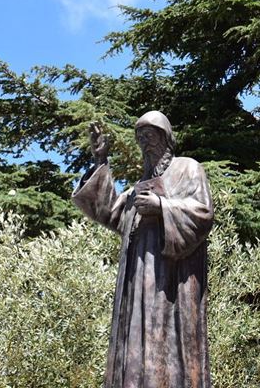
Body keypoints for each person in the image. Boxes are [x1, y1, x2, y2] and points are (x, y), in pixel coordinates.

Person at [72, 111, 214, 388]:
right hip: (137, 279)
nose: (144, 144)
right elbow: (110, 211)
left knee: (167, 344)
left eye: (149, 136)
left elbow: (203, 214)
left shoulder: (188, 169)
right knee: (136, 343)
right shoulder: (140, 187)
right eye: (139, 138)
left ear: (165, 137)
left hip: (171, 282)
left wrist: (162, 208)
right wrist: (101, 161)